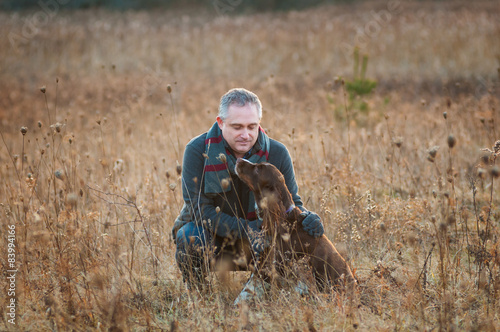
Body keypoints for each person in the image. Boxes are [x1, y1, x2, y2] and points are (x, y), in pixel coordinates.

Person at [171, 88, 324, 296]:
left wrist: (307, 216)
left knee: (305, 234)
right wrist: (249, 230)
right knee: (190, 236)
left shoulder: (277, 153)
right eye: (237, 127)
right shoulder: (198, 150)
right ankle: (199, 297)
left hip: (264, 243)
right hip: (216, 240)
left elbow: (291, 202)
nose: (246, 135)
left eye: (252, 126)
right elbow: (199, 210)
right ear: (220, 123)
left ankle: (296, 290)